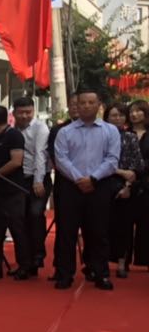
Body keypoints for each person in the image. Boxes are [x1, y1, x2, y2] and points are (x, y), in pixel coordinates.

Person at [53, 87, 121, 291]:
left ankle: (100, 273)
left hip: (99, 186)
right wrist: (79, 179)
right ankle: (64, 274)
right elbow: (61, 159)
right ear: (76, 105)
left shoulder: (110, 131)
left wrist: (93, 178)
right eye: (82, 103)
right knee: (66, 232)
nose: (86, 106)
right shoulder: (65, 132)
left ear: (99, 105)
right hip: (71, 186)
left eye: (91, 102)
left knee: (98, 231)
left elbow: (112, 159)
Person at [0, 103, 30, 278]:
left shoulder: (14, 135)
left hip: (13, 190)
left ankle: (24, 265)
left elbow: (16, 161)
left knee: (17, 228)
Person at [104, 103, 144, 278]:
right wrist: (119, 171)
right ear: (106, 118)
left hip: (125, 186)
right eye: (113, 115)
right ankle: (99, 262)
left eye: (121, 115)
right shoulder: (100, 136)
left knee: (124, 226)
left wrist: (128, 185)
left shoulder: (130, 137)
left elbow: (137, 165)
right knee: (102, 225)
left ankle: (122, 262)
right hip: (102, 183)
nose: (118, 118)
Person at [12, 96, 50, 277]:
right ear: (14, 113)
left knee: (35, 215)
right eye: (21, 113)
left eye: (28, 112)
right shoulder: (13, 130)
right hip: (19, 179)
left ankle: (38, 255)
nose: (25, 116)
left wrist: (38, 180)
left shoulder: (40, 128)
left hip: (38, 178)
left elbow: (40, 155)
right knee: (19, 220)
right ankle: (25, 262)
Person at [129, 100, 149, 271]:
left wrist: (140, 169)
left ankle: (144, 259)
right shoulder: (125, 134)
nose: (134, 114)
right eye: (132, 111)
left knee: (146, 223)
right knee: (125, 223)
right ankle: (123, 259)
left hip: (146, 182)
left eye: (138, 111)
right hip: (127, 181)